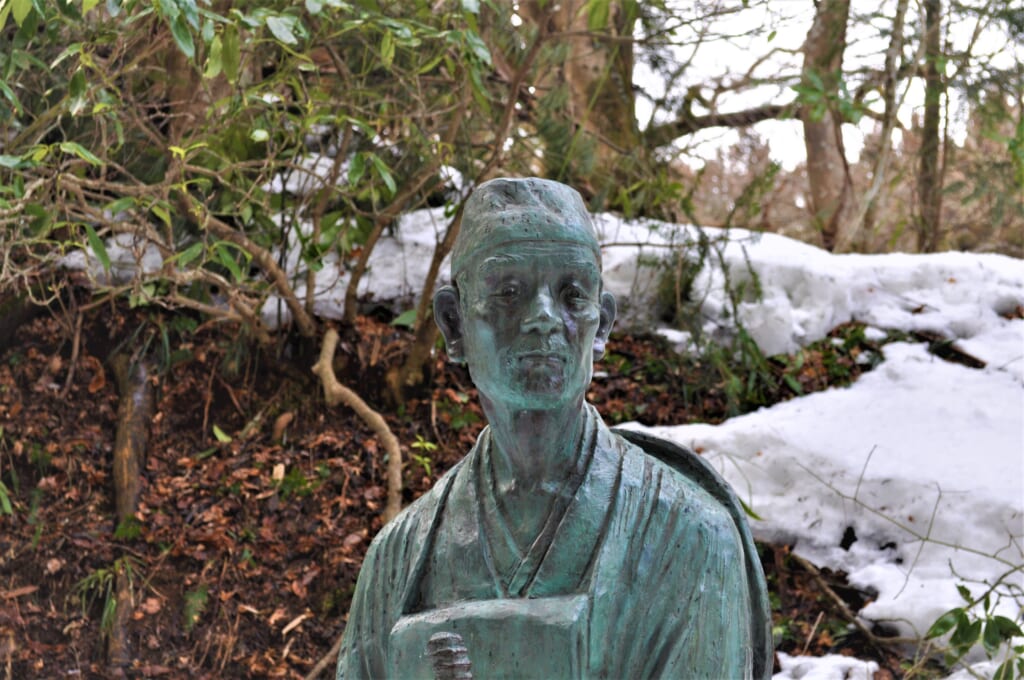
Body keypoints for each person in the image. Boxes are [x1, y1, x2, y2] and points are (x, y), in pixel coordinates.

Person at [336, 178, 772, 680]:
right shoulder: (398, 558)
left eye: (571, 293)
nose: (544, 318)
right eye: (509, 292)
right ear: (454, 326)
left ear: (602, 324)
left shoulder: (693, 539)